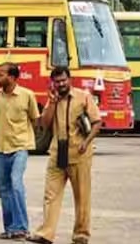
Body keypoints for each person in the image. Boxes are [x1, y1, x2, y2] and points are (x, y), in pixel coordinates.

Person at [27, 67, 102, 244]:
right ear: (53, 83)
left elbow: (97, 122)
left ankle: (81, 234)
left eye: (63, 80)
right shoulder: (53, 99)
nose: (61, 84)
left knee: (82, 196)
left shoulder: (83, 97)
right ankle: (46, 234)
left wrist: (87, 142)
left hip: (79, 153)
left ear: (70, 79)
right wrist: (51, 103)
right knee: (51, 195)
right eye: (57, 81)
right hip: (56, 153)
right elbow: (44, 124)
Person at [0, 62, 40, 240]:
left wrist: (29, 140)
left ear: (12, 77)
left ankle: (22, 227)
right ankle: (10, 228)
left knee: (16, 184)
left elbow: (36, 120)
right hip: (0, 149)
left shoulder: (27, 95)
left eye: (1, 74)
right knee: (4, 190)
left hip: (20, 147)